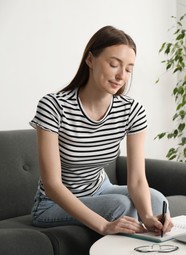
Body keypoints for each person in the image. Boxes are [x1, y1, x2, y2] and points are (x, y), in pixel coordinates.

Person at [29, 25, 173, 236]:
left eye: (128, 69)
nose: (121, 75)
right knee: (119, 205)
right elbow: (52, 184)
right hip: (52, 203)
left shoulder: (131, 110)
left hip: (100, 189)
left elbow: (137, 180)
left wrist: (149, 216)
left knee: (157, 201)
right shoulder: (54, 106)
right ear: (90, 60)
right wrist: (104, 225)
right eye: (114, 64)